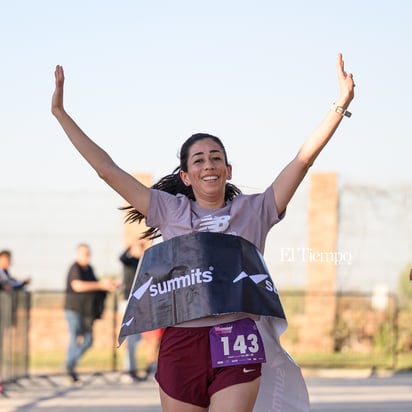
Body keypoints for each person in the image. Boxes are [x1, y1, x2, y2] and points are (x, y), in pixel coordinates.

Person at [52, 53, 355, 411]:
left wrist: (340, 104)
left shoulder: (256, 210)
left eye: (215, 158)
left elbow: (303, 159)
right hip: (181, 342)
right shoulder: (169, 210)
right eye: (198, 160)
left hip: (238, 338)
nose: (208, 164)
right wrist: (61, 114)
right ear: (186, 175)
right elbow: (107, 169)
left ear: (228, 169)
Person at [64, 243, 118, 383]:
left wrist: (107, 285)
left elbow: (96, 286)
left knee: (88, 340)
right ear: (78, 254)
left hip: (87, 311)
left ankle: (70, 365)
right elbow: (77, 285)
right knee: (75, 337)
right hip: (74, 309)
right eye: (84, 253)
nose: (87, 256)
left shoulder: (90, 269)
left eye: (88, 253)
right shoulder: (74, 267)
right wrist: (100, 284)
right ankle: (69, 368)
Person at [119, 238, 147, 382]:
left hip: (138, 303)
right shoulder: (128, 261)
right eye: (139, 247)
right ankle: (128, 371)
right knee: (130, 338)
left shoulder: (140, 263)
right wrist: (131, 245)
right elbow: (121, 257)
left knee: (136, 339)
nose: (140, 249)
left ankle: (132, 369)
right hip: (127, 302)